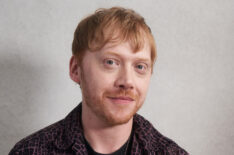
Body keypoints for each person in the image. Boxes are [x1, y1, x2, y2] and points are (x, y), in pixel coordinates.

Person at [9, 7, 188, 155]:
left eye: (140, 67)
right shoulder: (29, 151)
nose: (127, 81)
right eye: (110, 62)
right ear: (75, 69)